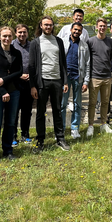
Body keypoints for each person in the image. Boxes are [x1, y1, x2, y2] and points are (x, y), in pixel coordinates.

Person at [29, 16, 70, 151]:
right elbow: (32, 65)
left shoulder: (58, 41)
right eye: (46, 25)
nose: (48, 27)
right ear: (40, 25)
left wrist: (65, 81)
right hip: (42, 82)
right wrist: (33, 85)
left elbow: (63, 63)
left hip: (57, 81)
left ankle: (60, 139)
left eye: (50, 25)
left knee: (57, 110)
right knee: (41, 112)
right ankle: (40, 141)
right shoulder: (36, 43)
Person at [0, 26, 23, 166]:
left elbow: (19, 71)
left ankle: (8, 150)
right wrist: (3, 91)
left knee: (10, 122)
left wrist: (5, 80)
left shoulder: (16, 52)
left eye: (9, 36)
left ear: (13, 37)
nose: (7, 38)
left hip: (14, 91)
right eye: (4, 36)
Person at [86, 18, 112, 136]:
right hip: (94, 77)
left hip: (107, 76)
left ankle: (103, 124)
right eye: (100, 26)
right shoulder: (90, 41)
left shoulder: (110, 42)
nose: (102, 28)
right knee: (92, 102)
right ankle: (90, 126)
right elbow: (87, 58)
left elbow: (111, 56)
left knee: (105, 102)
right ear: (96, 27)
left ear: (106, 27)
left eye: (104, 26)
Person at [61, 22, 90, 139]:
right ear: (71, 30)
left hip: (78, 77)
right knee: (62, 104)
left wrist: (86, 82)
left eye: (79, 30)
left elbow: (88, 64)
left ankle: (74, 128)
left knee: (77, 104)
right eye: (75, 29)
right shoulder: (62, 42)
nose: (76, 32)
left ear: (81, 32)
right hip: (65, 78)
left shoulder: (84, 45)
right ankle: (61, 129)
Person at [12, 24, 34, 146]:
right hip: (15, 82)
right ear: (16, 33)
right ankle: (13, 135)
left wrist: (31, 75)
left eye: (24, 32)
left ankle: (25, 134)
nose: (22, 34)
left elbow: (35, 63)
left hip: (29, 83)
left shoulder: (32, 46)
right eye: (20, 32)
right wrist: (19, 75)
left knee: (27, 110)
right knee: (14, 111)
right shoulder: (11, 46)